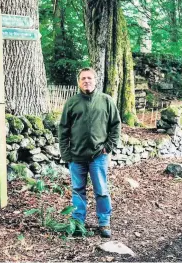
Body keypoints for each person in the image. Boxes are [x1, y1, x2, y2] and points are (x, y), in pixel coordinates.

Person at [58, 67, 121, 238]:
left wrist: (109, 146)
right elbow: (63, 129)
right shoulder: (72, 103)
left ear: (95, 80)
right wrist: (66, 154)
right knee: (78, 190)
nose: (87, 81)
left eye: (89, 78)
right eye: (83, 78)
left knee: (101, 190)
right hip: (76, 156)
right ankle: (78, 223)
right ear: (79, 82)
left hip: (98, 156)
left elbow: (115, 125)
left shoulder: (106, 101)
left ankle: (104, 222)